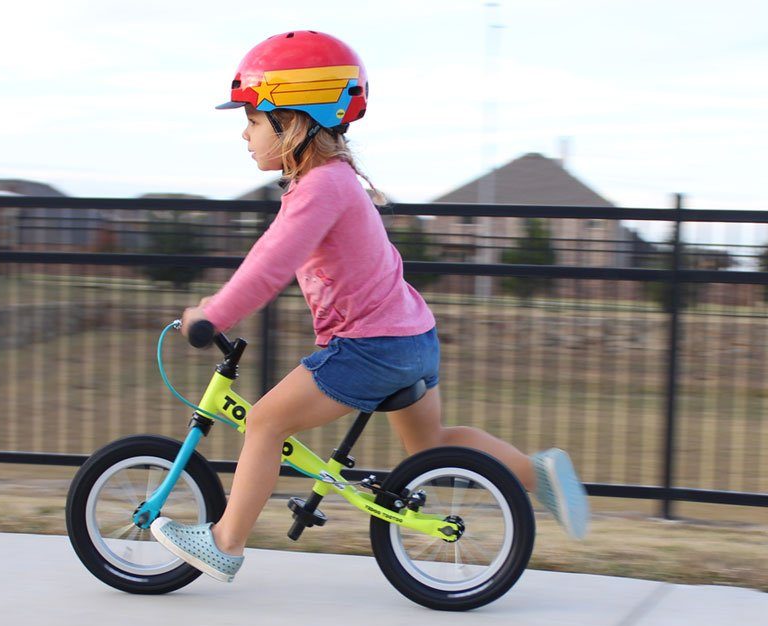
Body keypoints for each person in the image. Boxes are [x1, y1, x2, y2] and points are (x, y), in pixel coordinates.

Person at [151, 30, 589, 583]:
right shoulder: (334, 182)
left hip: (370, 347)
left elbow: (270, 261)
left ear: (295, 120)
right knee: (430, 447)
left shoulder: (319, 188)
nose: (244, 133)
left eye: (254, 118)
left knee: (264, 421)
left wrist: (213, 313)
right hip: (412, 338)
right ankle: (536, 473)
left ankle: (224, 543)